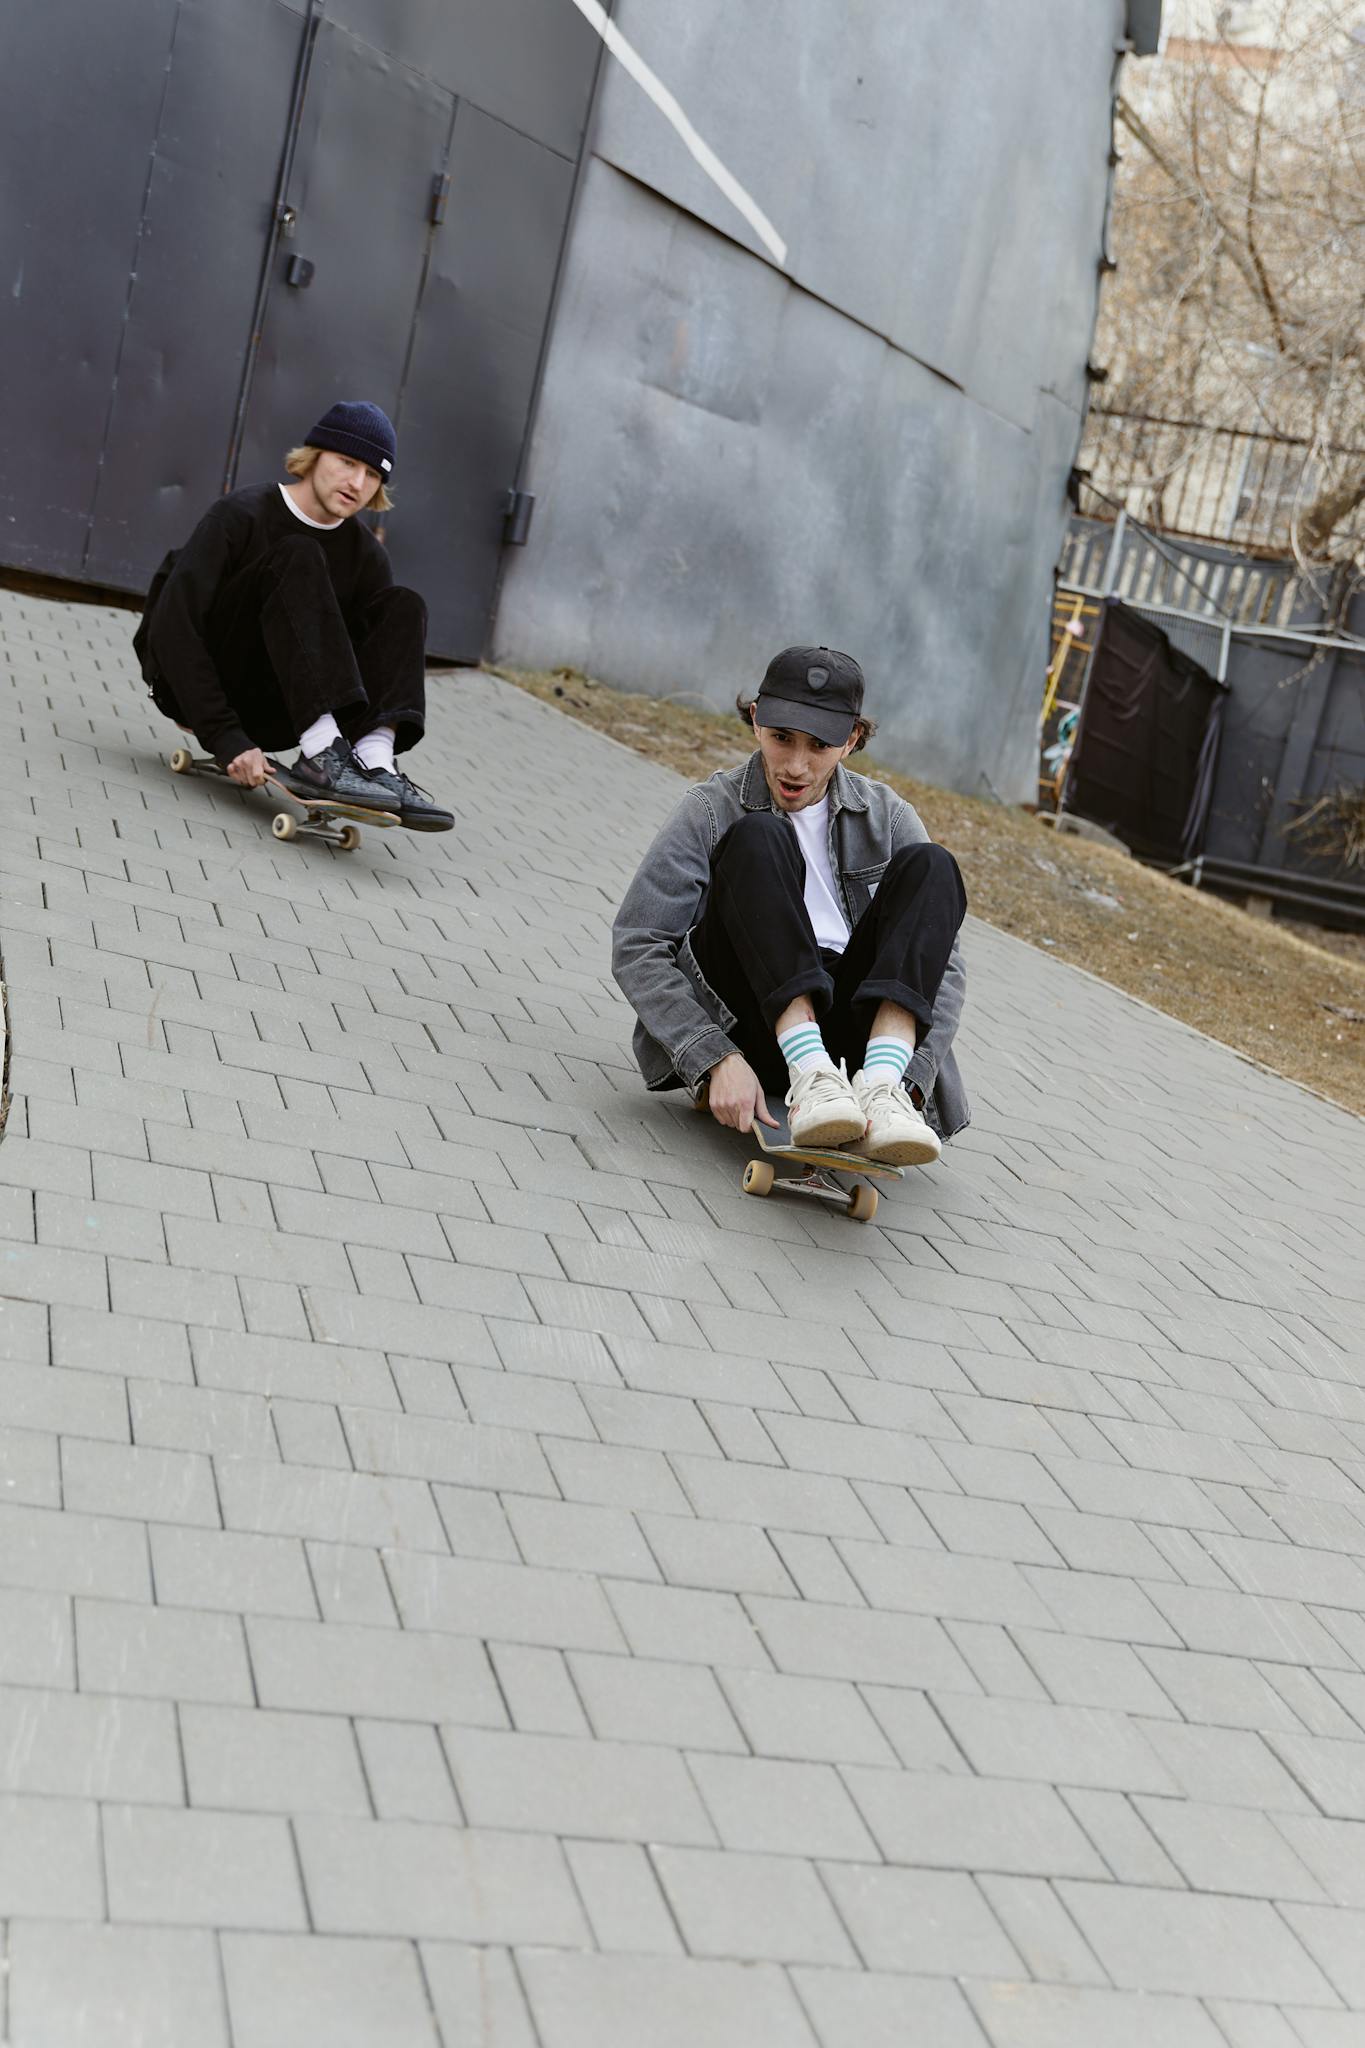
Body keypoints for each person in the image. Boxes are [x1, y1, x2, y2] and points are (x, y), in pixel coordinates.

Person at [612, 646, 968, 1164]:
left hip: (854, 1045)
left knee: (934, 866)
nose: (796, 766)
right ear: (756, 721)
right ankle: (810, 1073)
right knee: (757, 836)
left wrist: (914, 1080)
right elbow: (639, 943)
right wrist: (713, 1057)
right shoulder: (711, 808)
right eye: (781, 738)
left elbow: (946, 969)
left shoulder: (888, 817)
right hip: (750, 1027)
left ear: (851, 741)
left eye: (819, 745)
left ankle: (882, 1091)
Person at [134, 400, 453, 830]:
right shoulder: (242, 514)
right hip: (209, 688)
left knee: (405, 604)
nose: (357, 483)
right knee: (299, 556)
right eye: (347, 462)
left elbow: (370, 664)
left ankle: (375, 761)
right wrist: (226, 737)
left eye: (373, 474)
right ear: (315, 454)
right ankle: (322, 752)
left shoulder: (367, 558)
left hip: (286, 713)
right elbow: (173, 630)